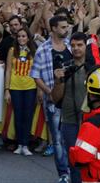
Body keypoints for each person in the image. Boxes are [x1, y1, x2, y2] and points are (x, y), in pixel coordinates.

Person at [31, 15, 72, 183]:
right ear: (54, 28)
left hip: (72, 100)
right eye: (63, 27)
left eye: (67, 26)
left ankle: (74, 170)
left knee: (72, 136)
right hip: (53, 101)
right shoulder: (43, 49)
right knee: (57, 139)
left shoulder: (71, 46)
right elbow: (35, 75)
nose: (66, 29)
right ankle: (63, 173)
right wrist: (49, 92)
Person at [52, 32, 88, 183]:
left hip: (90, 121)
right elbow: (55, 98)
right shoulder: (65, 67)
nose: (76, 48)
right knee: (74, 161)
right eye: (73, 45)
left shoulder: (96, 67)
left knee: (91, 160)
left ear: (86, 46)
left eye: (80, 45)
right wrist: (59, 81)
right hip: (69, 120)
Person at [4, 27, 37, 156]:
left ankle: (26, 144)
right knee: (18, 115)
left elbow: (37, 70)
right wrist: (6, 89)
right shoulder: (12, 50)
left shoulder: (34, 51)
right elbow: (8, 70)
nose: (21, 39)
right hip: (15, 87)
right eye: (19, 36)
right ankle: (19, 144)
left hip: (30, 86)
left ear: (28, 38)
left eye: (24, 36)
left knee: (28, 115)